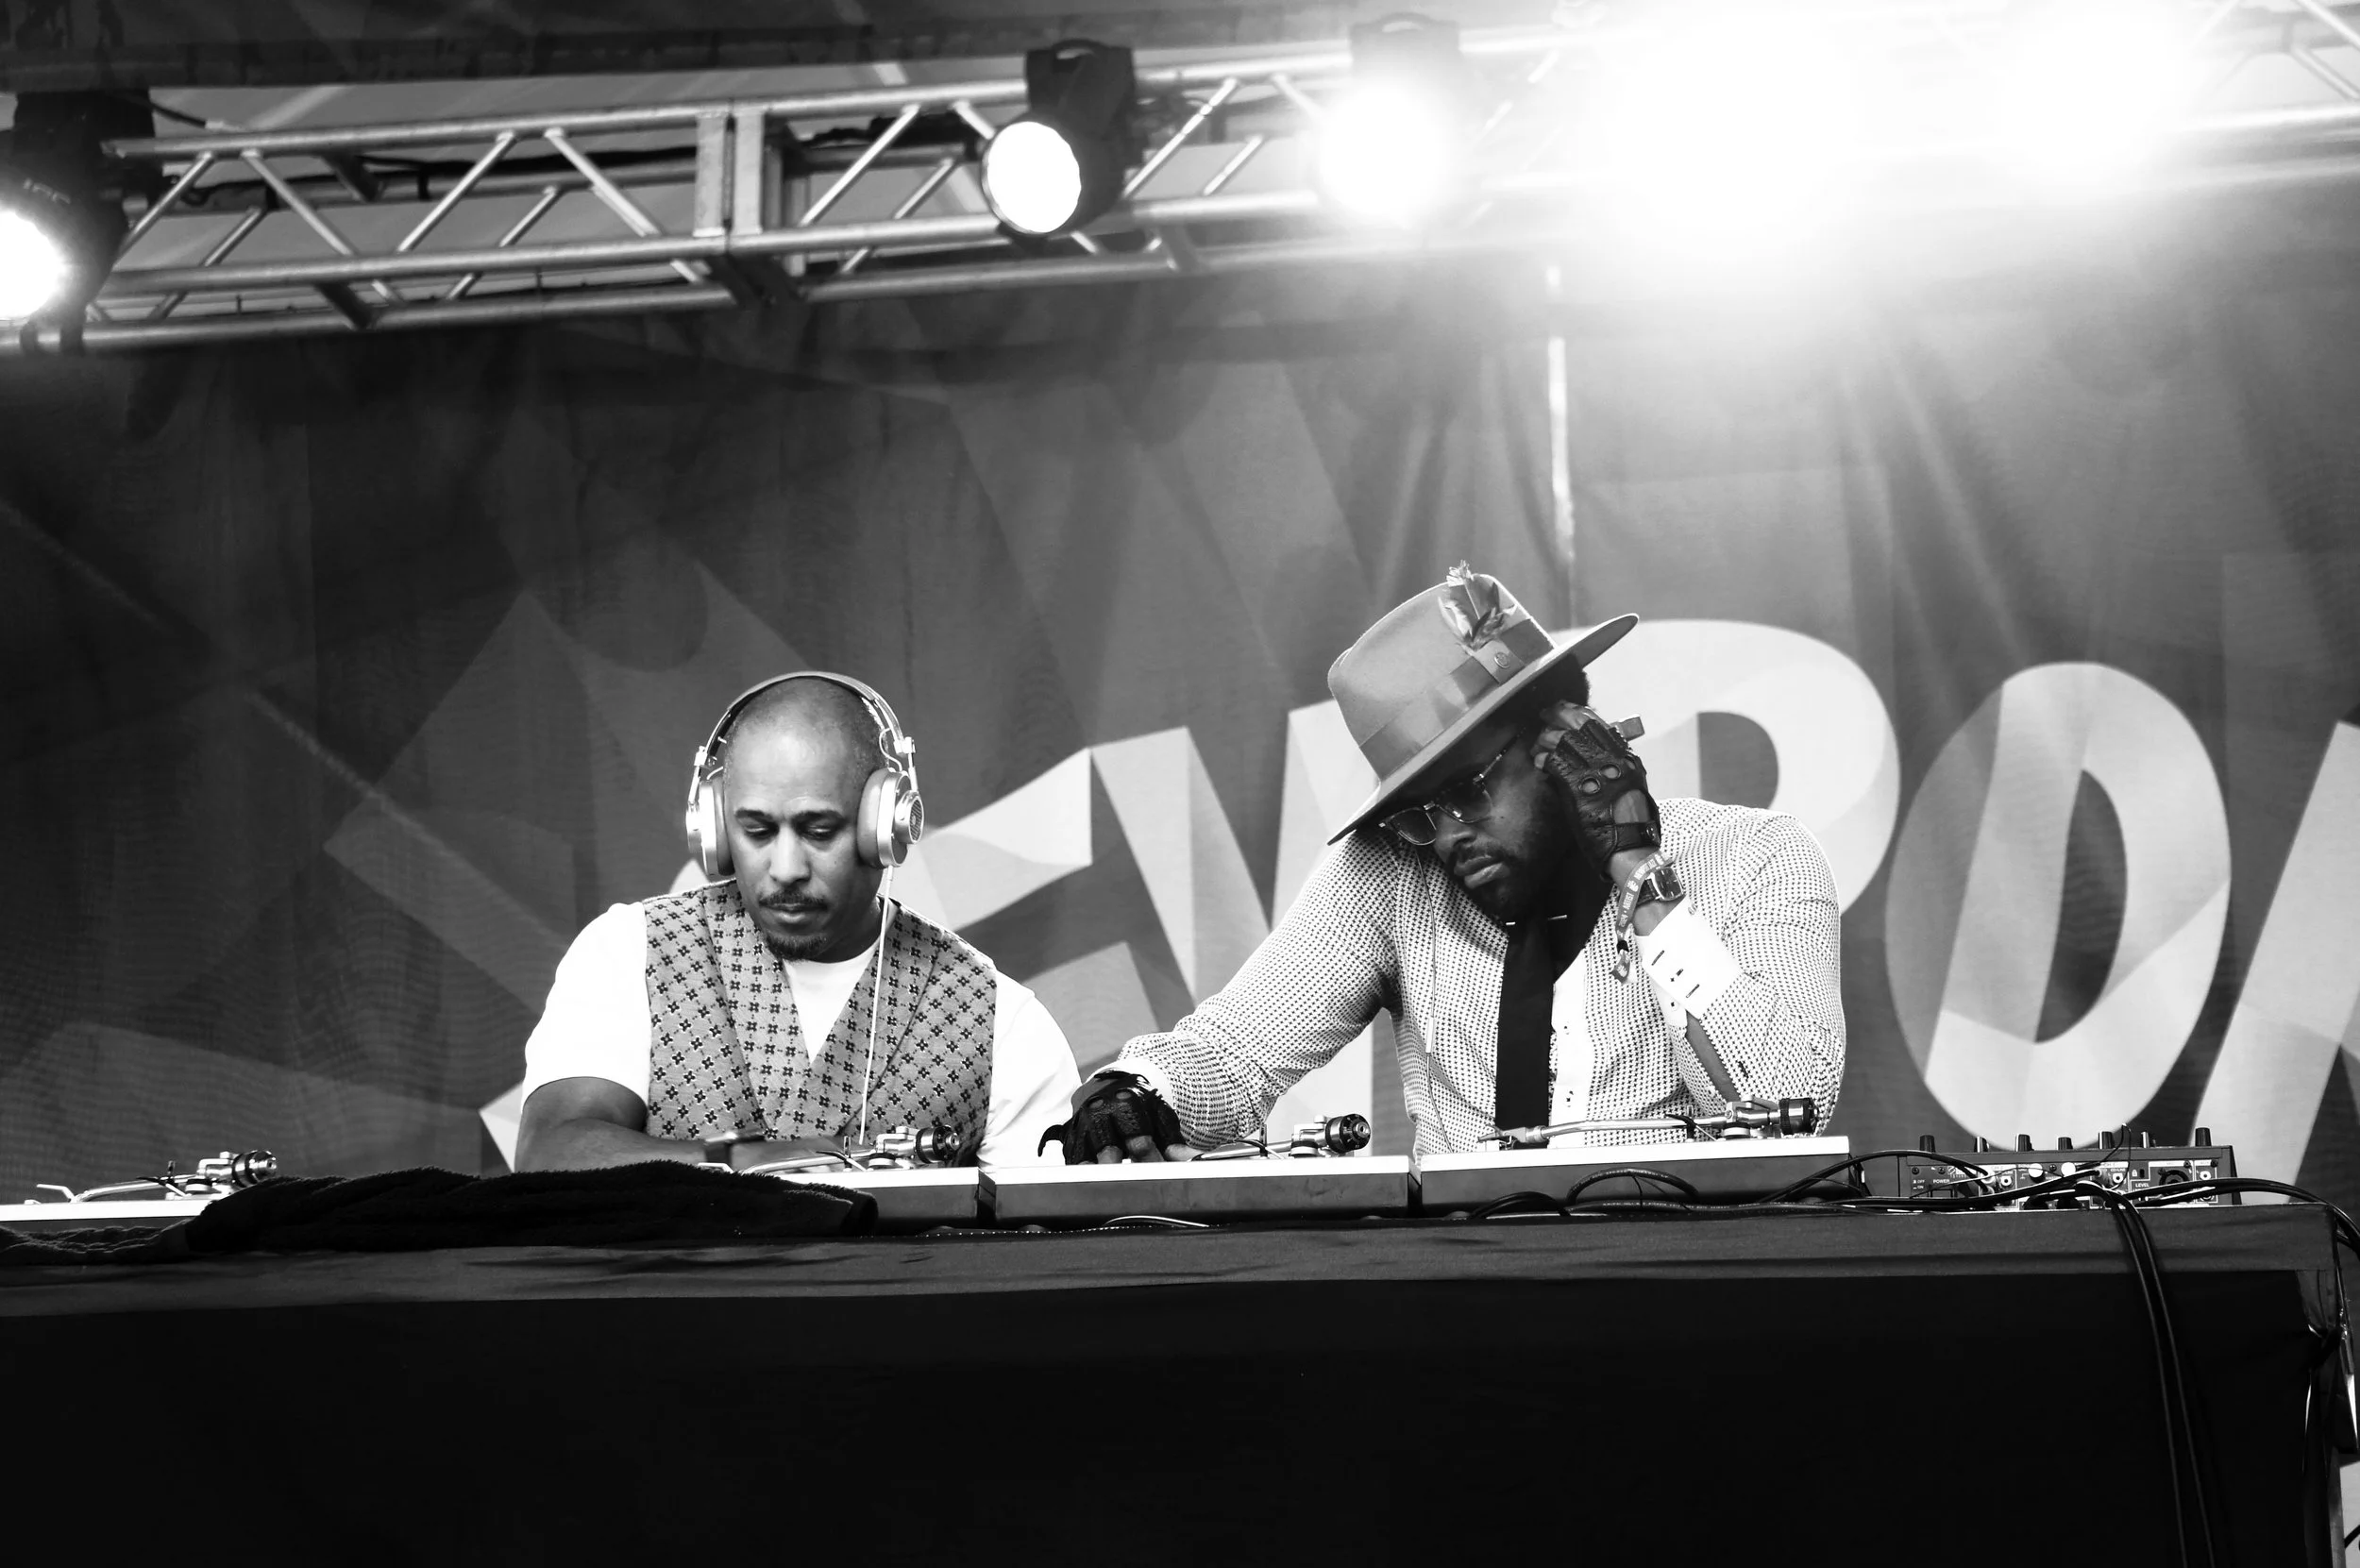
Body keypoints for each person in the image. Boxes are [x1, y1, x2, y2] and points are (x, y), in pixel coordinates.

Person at [1042, 565, 1844, 1163]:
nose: (1448, 832)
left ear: (1566, 734)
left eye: (1468, 788)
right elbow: (1235, 1052)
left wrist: (1639, 874)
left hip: (1687, 1305)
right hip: (1467, 1312)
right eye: (1418, 809)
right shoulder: (1393, 873)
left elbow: (1787, 1101)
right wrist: (1139, 1092)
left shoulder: (1756, 859)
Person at [516, 672, 1079, 1172]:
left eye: (818, 831)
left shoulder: (1002, 1021)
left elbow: (1044, 1249)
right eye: (757, 832)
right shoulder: (630, 953)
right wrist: (762, 1161)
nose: (785, 869)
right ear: (713, 831)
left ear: (884, 827)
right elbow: (552, 1154)